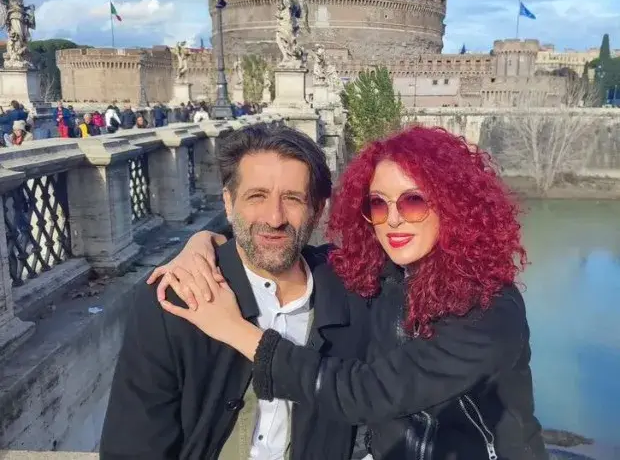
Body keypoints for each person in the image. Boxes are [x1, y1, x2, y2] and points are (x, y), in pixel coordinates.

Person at [155, 126, 548, 460]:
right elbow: (281, 249)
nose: (393, 219)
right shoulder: (382, 273)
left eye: (413, 201)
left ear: (453, 205)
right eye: (378, 204)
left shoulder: (491, 308)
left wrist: (233, 329)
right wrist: (205, 244)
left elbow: (367, 393)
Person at [100, 124, 370, 460]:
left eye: (292, 198)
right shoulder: (175, 299)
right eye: (257, 196)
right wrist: (200, 240)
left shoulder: (356, 295)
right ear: (228, 203)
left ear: (317, 210)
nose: (275, 218)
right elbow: (133, 448)